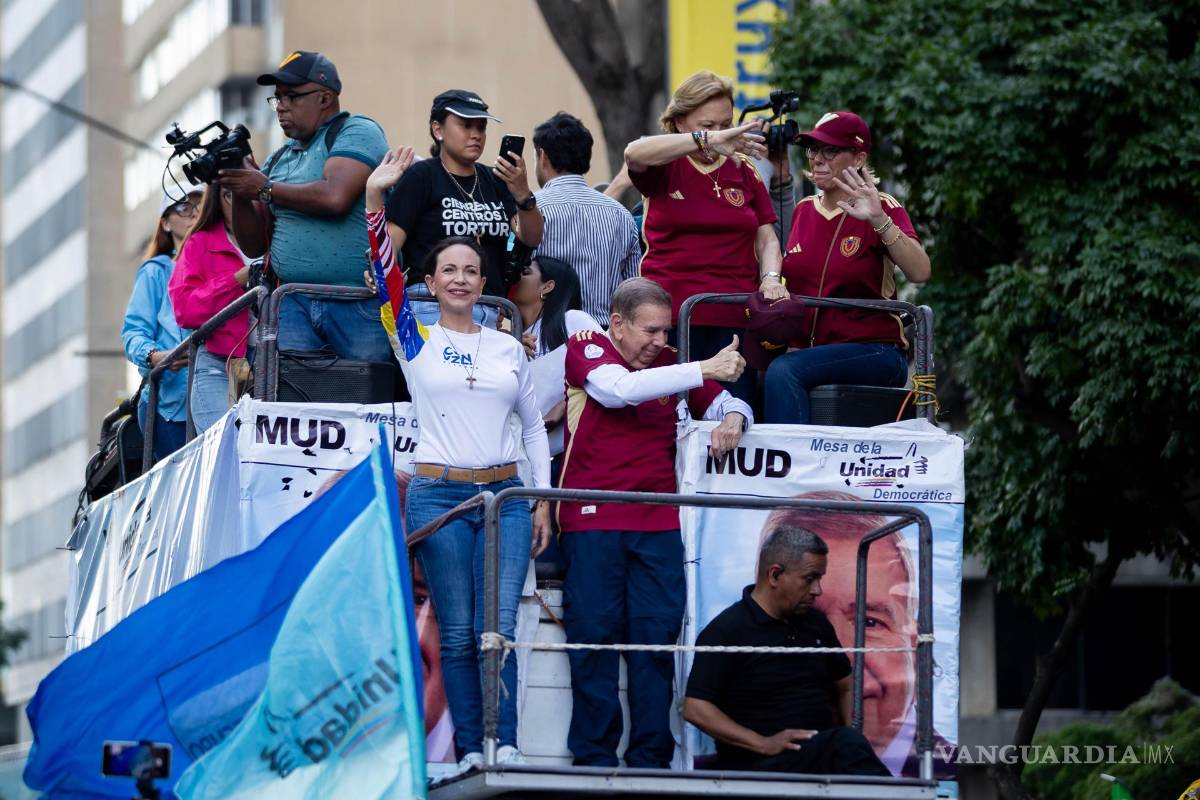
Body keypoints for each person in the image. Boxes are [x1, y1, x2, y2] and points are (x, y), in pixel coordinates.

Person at [365, 162, 552, 770]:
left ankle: (510, 743)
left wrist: (542, 496)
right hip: (439, 497)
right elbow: (381, 276)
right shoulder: (413, 338)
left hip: (505, 498)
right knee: (459, 633)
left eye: (472, 270)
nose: (463, 279)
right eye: (450, 270)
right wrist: (374, 197)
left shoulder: (506, 343)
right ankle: (474, 748)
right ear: (431, 279)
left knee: (498, 627)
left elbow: (531, 427)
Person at [556, 277, 753, 768]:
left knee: (655, 644)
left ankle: (651, 759)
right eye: (650, 331)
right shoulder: (588, 347)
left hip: (659, 523)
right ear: (617, 324)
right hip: (591, 518)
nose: (660, 342)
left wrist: (735, 418)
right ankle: (594, 759)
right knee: (594, 640)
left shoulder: (670, 365)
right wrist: (703, 366)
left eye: (666, 332)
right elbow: (618, 391)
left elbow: (730, 399)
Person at [759, 491, 953, 778]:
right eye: (808, 619)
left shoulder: (956, 774)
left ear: (914, 647)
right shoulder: (714, 778)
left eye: (870, 623)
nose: (844, 656)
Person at [216, 50, 390, 361]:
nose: (280, 107)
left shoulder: (356, 130)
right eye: (277, 98)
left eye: (291, 97)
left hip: (359, 302)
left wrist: (265, 188)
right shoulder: (280, 157)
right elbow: (255, 245)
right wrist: (241, 188)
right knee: (295, 402)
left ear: (324, 98)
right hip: (294, 302)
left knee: (366, 399)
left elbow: (335, 197)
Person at [761, 111, 931, 424]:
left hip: (875, 350)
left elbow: (920, 272)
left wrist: (879, 220)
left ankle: (792, 471)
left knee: (784, 370)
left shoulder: (884, 206)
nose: (817, 159)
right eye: (813, 150)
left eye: (830, 150)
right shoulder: (802, 210)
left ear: (858, 158)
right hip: (809, 353)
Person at [624, 70, 781, 403]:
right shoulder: (664, 164)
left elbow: (767, 239)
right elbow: (633, 154)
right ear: (681, 122)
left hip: (734, 319)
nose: (720, 134)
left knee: (734, 421)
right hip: (671, 322)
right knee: (671, 427)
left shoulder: (744, 169)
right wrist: (705, 141)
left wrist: (770, 279)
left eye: (725, 125)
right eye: (708, 125)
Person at [683, 526, 890, 776]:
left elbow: (845, 684)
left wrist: (853, 736)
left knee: (848, 743)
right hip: (758, 765)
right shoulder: (726, 630)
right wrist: (763, 743)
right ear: (774, 575)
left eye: (819, 579)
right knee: (846, 744)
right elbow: (695, 708)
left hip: (821, 755)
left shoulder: (816, 623)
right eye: (809, 578)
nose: (817, 590)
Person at [385, 89, 543, 300]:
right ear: (438, 129)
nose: (476, 135)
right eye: (466, 125)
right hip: (432, 304)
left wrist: (523, 194)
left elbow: (531, 237)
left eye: (481, 127)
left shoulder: (495, 180)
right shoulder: (421, 176)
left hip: (488, 304)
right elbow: (390, 244)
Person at [531, 112, 640, 323]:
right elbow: (633, 288)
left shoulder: (533, 208)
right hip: (608, 337)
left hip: (547, 336)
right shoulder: (621, 214)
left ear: (542, 156)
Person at [122, 187, 202, 460]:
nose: (194, 213)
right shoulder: (157, 272)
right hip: (170, 404)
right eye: (183, 207)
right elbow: (134, 333)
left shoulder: (226, 261)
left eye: (201, 205)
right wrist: (157, 357)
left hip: (217, 393)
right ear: (165, 222)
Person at [168, 186, 252, 432]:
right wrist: (235, 280)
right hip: (219, 364)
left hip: (274, 361)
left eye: (246, 192)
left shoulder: (274, 235)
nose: (239, 202)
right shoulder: (199, 242)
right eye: (229, 194)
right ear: (217, 199)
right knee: (227, 450)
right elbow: (184, 309)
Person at [510, 255, 602, 455]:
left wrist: (563, 406)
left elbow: (611, 370)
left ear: (547, 286)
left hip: (568, 449)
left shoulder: (573, 320)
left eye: (525, 273)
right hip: (523, 452)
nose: (516, 277)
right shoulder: (507, 334)